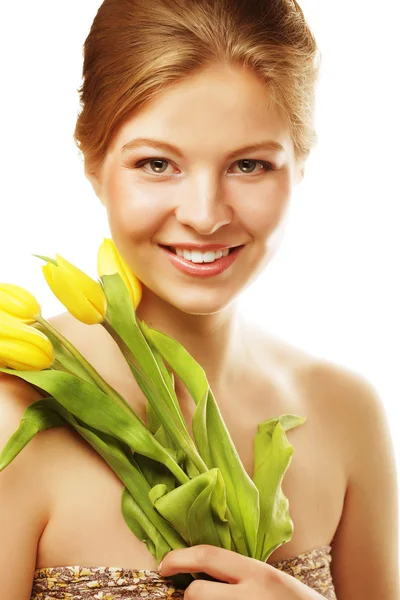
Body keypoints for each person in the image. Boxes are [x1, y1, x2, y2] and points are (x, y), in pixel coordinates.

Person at [0, 0, 398, 598]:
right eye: (157, 164)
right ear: (93, 164)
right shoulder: (10, 420)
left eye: (249, 164)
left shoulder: (344, 412)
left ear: (301, 167)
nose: (205, 215)